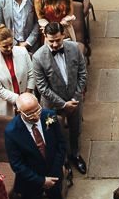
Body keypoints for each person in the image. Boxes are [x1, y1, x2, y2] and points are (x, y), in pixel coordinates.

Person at [6, 92, 72, 199]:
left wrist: (55, 172)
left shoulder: (49, 116)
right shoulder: (12, 132)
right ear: (19, 112)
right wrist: (41, 180)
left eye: (37, 110)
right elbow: (17, 165)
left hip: (54, 172)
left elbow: (61, 146)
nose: (36, 115)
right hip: (31, 179)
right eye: (30, 113)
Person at [33, 22, 87, 174]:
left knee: (76, 129)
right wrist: (63, 104)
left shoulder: (74, 49)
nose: (55, 44)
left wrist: (75, 97)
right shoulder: (38, 58)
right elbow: (42, 87)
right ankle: (62, 161)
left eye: (58, 40)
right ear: (46, 37)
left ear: (63, 35)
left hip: (75, 100)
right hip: (52, 105)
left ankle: (75, 155)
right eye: (51, 41)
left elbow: (82, 73)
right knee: (56, 134)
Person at [0, 24, 34, 116]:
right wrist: (19, 99)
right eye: (5, 46)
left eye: (11, 44)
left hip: (28, 99)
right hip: (5, 105)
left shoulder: (23, 51)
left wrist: (27, 95)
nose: (9, 48)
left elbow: (31, 75)